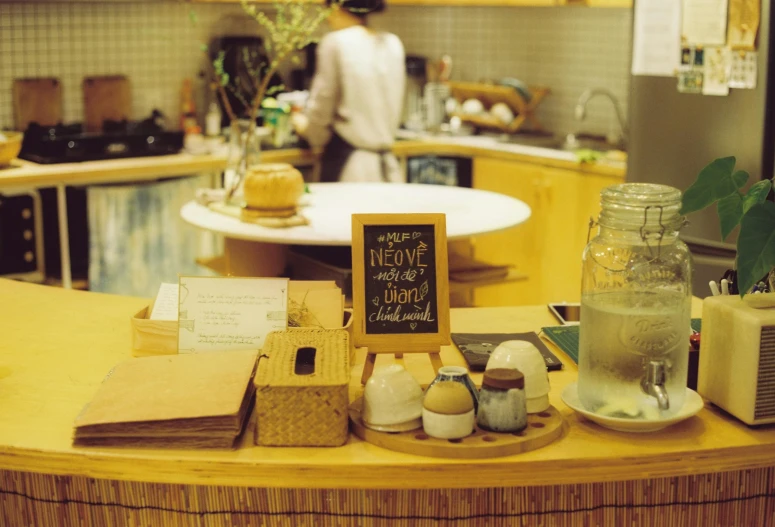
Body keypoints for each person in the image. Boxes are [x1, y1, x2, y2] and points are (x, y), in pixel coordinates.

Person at [292, 0, 405, 183]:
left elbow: (322, 108)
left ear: (336, 7)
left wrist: (305, 128)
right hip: (388, 170)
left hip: (349, 168)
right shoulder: (393, 44)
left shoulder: (335, 43)